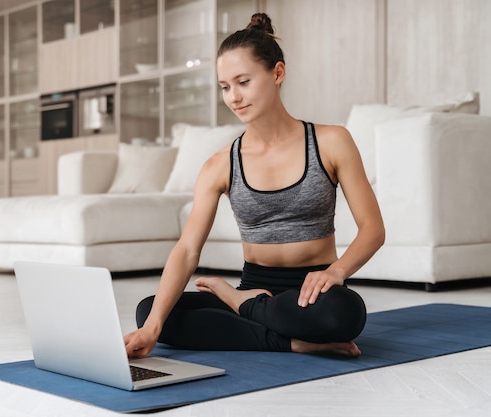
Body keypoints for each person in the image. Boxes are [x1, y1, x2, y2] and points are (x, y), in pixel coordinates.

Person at [124, 13, 385, 358]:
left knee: (344, 314)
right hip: (256, 285)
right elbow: (187, 249)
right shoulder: (220, 164)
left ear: (277, 73)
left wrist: (336, 272)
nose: (234, 97)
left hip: (311, 292)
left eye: (243, 82)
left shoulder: (331, 141)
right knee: (149, 310)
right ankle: (289, 341)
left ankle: (239, 304)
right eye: (225, 87)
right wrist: (153, 326)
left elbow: (373, 229)